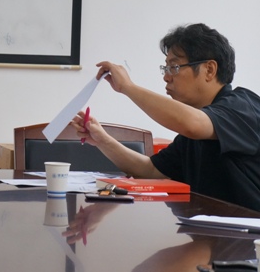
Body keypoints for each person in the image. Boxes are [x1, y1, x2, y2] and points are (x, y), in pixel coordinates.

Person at [73, 23, 260, 210]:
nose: (166, 77)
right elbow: (150, 170)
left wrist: (128, 87)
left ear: (209, 70)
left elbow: (193, 124)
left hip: (249, 227)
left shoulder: (242, 107)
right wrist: (101, 140)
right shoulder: (193, 127)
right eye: (166, 68)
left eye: (174, 67)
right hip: (208, 225)